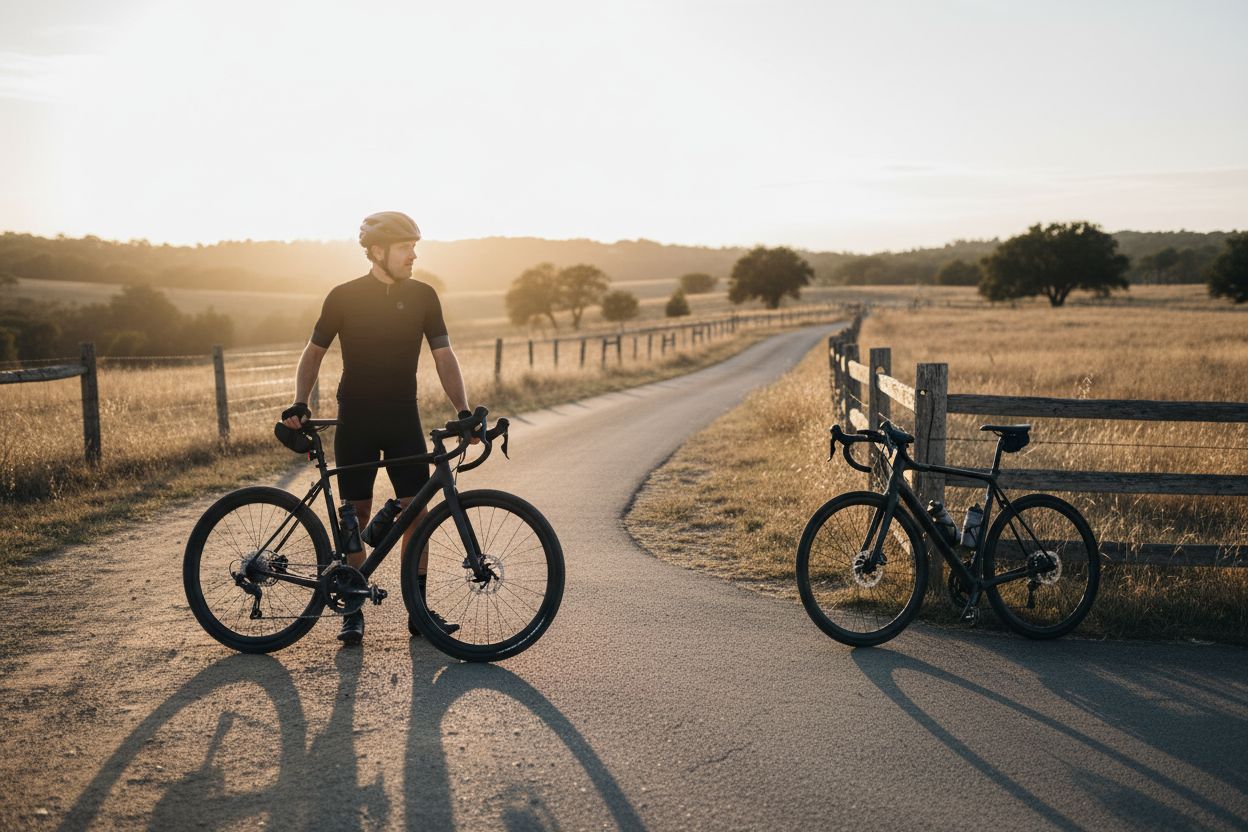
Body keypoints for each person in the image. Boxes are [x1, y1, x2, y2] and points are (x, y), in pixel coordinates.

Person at [281, 211, 472, 645]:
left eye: (414, 247)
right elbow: (313, 352)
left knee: (416, 513)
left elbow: (444, 356)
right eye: (406, 247)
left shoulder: (424, 296)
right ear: (378, 251)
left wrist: (462, 410)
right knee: (357, 513)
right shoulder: (344, 296)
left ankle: (418, 611)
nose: (413, 255)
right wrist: (300, 401)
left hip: (403, 416)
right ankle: (352, 608)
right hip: (357, 418)